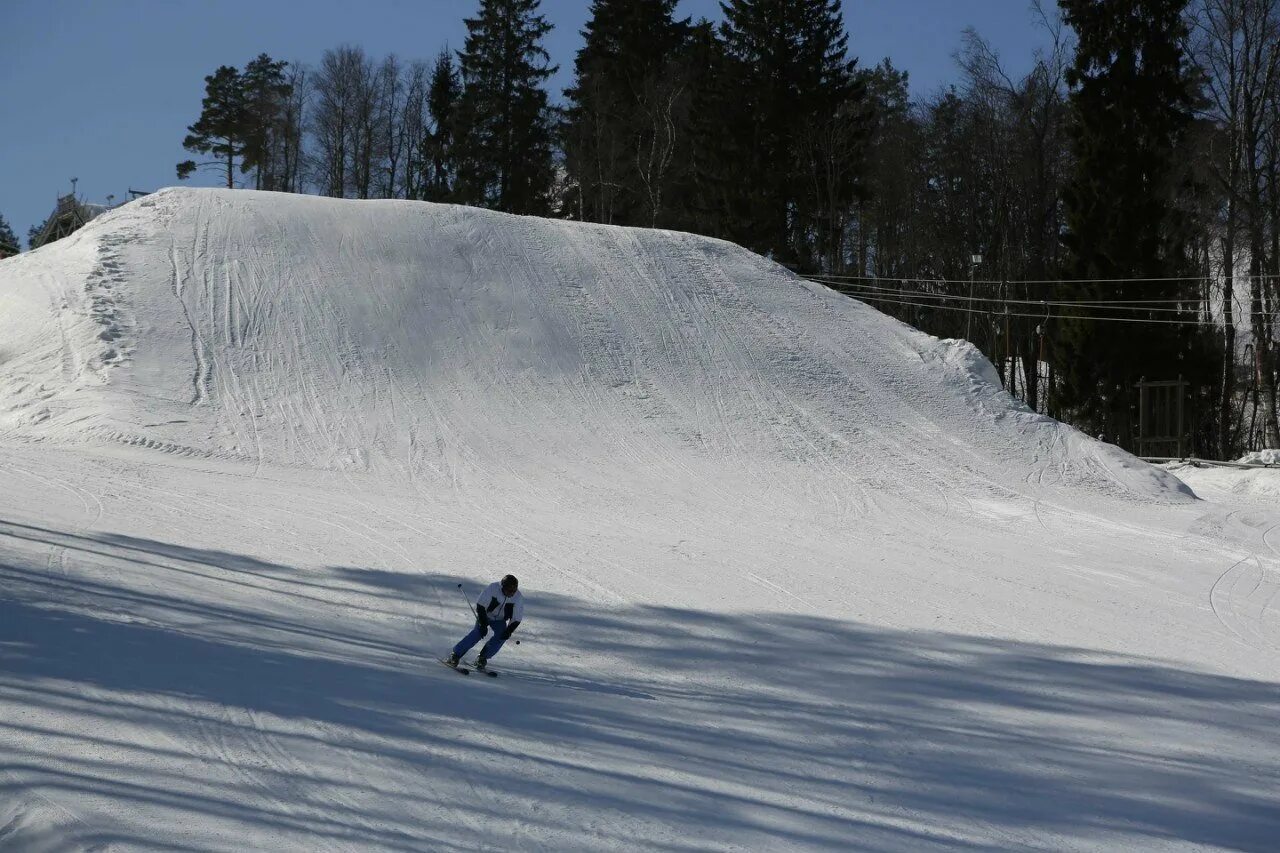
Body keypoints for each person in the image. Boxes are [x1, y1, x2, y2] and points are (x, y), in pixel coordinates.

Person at [446, 574, 523, 670]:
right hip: (485, 615)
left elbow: (517, 618)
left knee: (501, 636)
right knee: (478, 633)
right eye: (508, 590)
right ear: (502, 587)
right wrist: (483, 623)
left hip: (500, 620)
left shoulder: (518, 597)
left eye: (513, 591)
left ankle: (482, 658)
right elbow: (481, 605)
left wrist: (508, 631)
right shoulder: (493, 588)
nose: (511, 593)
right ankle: (455, 655)